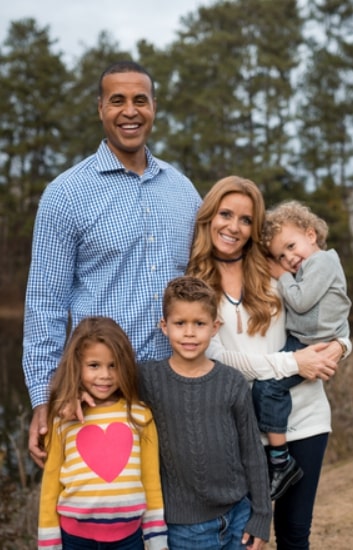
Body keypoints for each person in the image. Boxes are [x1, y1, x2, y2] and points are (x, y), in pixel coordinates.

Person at [22, 60, 201, 467]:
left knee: (177, 518)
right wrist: (43, 398)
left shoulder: (184, 192)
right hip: (102, 392)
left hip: (180, 387)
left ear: (154, 106)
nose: (130, 111)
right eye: (117, 100)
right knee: (109, 519)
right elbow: (44, 306)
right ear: (100, 107)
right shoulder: (65, 194)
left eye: (141, 100)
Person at [186, 175, 351, 549]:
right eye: (225, 214)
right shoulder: (195, 282)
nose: (234, 226)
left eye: (246, 219)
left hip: (306, 416)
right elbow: (216, 357)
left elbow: (328, 318)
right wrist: (293, 363)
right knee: (243, 537)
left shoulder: (277, 269)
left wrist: (342, 346)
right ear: (209, 217)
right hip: (240, 426)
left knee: (294, 534)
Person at [139, 276, 272, 550]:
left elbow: (252, 452)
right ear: (164, 327)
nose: (189, 333)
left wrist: (261, 515)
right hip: (184, 527)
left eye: (199, 324)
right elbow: (104, 382)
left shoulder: (232, 381)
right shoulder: (149, 379)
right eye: (180, 324)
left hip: (239, 514)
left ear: (215, 327)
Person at [38, 316, 168, 550]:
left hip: (129, 539)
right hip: (75, 538)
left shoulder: (140, 416)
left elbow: (151, 482)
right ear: (77, 365)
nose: (105, 376)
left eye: (113, 365)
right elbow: (50, 487)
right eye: (94, 365)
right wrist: (49, 544)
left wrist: (156, 539)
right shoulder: (64, 417)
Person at [252, 200, 351, 500]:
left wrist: (281, 276)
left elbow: (302, 301)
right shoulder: (310, 266)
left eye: (292, 246)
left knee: (267, 388)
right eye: (281, 256)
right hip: (308, 341)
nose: (289, 258)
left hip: (309, 345)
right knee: (271, 389)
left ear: (311, 234)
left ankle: (280, 462)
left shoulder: (321, 262)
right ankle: (280, 458)